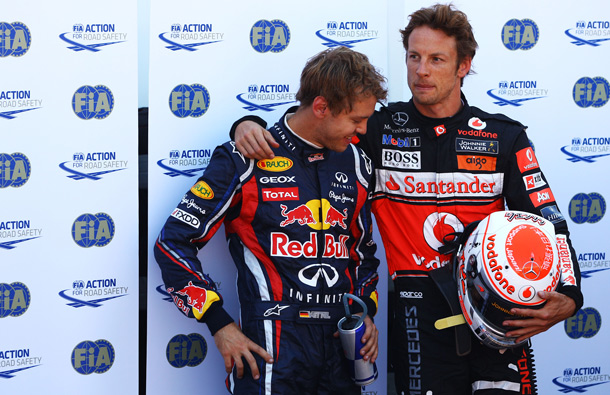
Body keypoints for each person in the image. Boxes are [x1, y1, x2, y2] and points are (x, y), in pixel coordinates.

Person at [230, 4, 583, 394]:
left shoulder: (504, 137)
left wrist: (570, 294)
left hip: (496, 309)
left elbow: (549, 223)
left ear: (464, 65)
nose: (421, 70)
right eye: (413, 57)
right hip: (418, 312)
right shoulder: (375, 128)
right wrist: (247, 126)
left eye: (436, 59)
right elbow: (313, 126)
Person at [154, 46, 388, 395]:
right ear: (321, 107)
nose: (362, 130)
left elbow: (363, 253)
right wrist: (219, 325)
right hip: (272, 347)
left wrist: (365, 309)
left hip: (341, 352)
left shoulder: (357, 163)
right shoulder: (246, 158)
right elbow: (172, 243)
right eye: (356, 120)